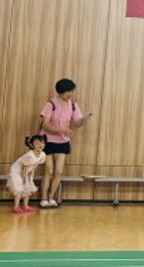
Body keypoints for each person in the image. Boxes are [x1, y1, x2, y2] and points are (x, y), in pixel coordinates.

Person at [38, 78, 91, 208]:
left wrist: (82, 121)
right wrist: (62, 130)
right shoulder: (51, 104)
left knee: (59, 171)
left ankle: (51, 197)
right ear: (61, 91)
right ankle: (43, 198)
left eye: (71, 91)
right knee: (49, 170)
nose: (70, 94)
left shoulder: (73, 105)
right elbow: (45, 124)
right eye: (68, 91)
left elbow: (76, 124)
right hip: (48, 140)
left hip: (63, 141)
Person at [7, 135, 47, 214]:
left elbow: (34, 166)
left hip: (27, 171)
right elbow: (23, 169)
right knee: (19, 188)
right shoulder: (30, 155)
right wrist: (24, 180)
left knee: (28, 188)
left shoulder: (43, 155)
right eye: (37, 143)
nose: (40, 145)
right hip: (16, 171)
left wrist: (30, 178)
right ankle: (16, 207)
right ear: (32, 145)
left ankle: (26, 206)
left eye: (42, 142)